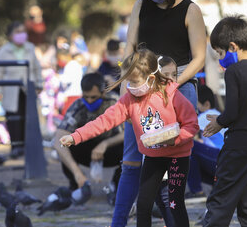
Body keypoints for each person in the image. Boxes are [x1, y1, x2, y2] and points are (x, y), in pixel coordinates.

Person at [112, 0, 206, 227]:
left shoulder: (191, 10)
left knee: (169, 166)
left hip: (178, 91)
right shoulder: (140, 6)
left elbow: (199, 57)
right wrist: (123, 84)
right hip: (140, 90)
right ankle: (117, 223)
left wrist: (171, 85)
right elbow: (129, 47)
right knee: (130, 162)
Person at [60, 47, 199, 227]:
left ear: (150, 78)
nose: (130, 87)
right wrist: (76, 136)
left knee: (175, 203)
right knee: (143, 204)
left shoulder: (172, 94)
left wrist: (176, 139)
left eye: (134, 82)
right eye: (127, 83)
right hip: (152, 157)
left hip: (177, 157)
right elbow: (104, 121)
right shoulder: (129, 99)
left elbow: (192, 125)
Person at [202, 15, 247, 227]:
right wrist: (224, 118)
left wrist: (219, 122)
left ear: (233, 46)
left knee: (221, 202)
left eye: (220, 53)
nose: (221, 59)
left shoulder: (234, 71)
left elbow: (231, 111)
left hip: (239, 146)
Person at [53, 72, 123, 192]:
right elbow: (58, 137)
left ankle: (118, 185)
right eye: (86, 97)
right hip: (87, 149)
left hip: (111, 148)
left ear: (103, 92)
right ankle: (77, 184)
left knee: (132, 147)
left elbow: (130, 132)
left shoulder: (115, 102)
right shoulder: (78, 106)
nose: (89, 101)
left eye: (94, 97)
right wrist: (76, 172)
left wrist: (105, 144)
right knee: (64, 145)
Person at [0, 21, 43, 158]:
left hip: (28, 88)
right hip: (11, 90)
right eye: (17, 32)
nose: (21, 35)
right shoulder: (4, 50)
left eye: (23, 31)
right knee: (13, 119)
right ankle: (16, 147)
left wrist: (39, 84)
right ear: (10, 35)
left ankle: (29, 149)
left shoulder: (30, 48)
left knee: (29, 118)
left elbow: (37, 68)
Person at [185, 85, 225, 200]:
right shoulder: (217, 114)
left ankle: (197, 191)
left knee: (188, 146)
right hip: (223, 159)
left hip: (220, 159)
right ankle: (217, 186)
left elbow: (188, 134)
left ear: (206, 104)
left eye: (196, 104)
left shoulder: (206, 116)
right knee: (193, 157)